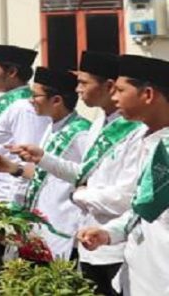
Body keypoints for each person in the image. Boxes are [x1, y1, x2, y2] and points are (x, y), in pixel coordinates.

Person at [13, 51, 142, 294]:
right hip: (89, 241)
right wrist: (43, 158)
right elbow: (82, 174)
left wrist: (81, 195)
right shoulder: (99, 123)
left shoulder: (135, 130)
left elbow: (126, 196)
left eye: (84, 83)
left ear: (108, 86)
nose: (77, 89)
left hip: (116, 246)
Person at [78, 54, 169, 295]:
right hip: (137, 277)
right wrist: (109, 233)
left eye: (120, 90)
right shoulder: (144, 139)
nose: (114, 97)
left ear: (147, 94)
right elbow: (141, 209)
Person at [0, 67, 90, 259]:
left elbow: (85, 177)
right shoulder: (52, 127)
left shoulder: (81, 133)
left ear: (56, 100)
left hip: (62, 226)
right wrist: (13, 168)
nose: (30, 100)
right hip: (40, 223)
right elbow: (45, 175)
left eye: (35, 95)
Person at [0, 44, 48, 204]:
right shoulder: (4, 102)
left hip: (8, 195)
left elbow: (28, 158)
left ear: (11, 72)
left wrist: (17, 203)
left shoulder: (24, 107)